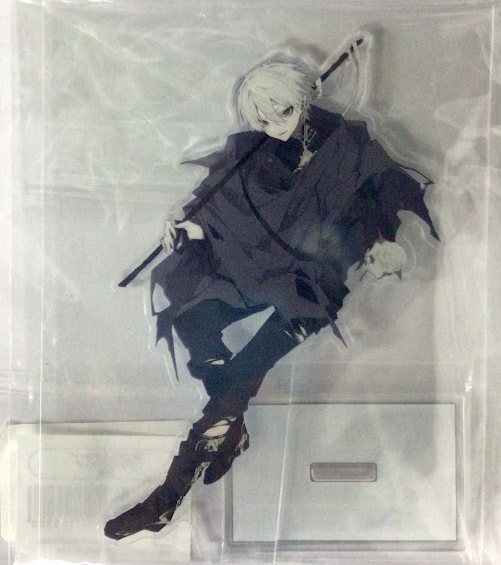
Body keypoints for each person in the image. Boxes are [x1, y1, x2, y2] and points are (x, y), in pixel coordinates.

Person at [104, 50, 438, 540]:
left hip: (311, 287)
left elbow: (369, 204)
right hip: (257, 271)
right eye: (262, 119)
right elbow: (228, 208)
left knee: (240, 375)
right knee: (191, 315)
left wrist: (379, 247)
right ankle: (228, 431)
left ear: (304, 99)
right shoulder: (254, 153)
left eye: (283, 111)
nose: (275, 126)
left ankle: (169, 494)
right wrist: (188, 228)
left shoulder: (347, 147)